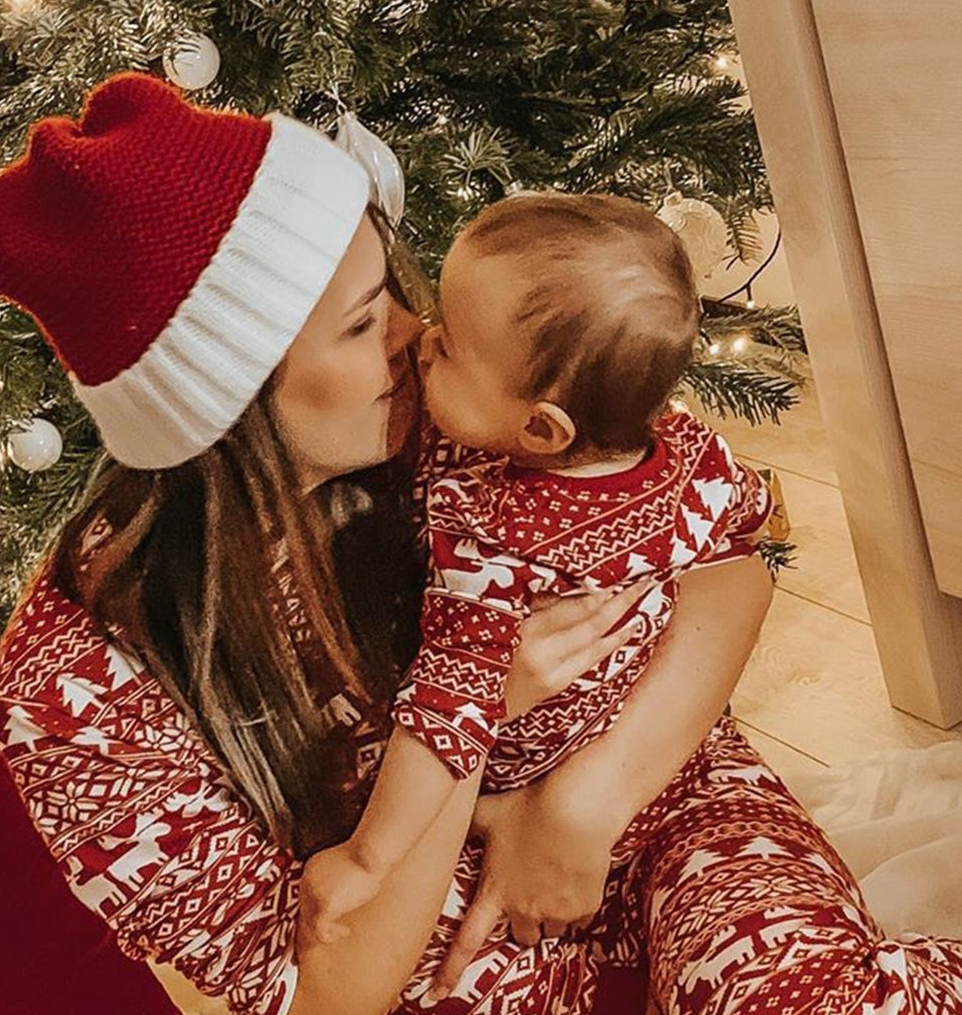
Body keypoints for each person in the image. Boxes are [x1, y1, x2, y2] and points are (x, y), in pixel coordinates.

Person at [0, 71, 961, 1015]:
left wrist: (586, 804)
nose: (412, 332)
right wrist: (477, 732)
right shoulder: (77, 689)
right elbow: (326, 999)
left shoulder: (473, 403)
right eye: (363, 321)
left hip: (670, 825)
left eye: (392, 286)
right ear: (233, 400)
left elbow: (737, 552)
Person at [300, 193, 773, 971]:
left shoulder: (494, 538)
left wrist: (366, 859)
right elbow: (749, 517)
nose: (421, 341)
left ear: (542, 429)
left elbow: (448, 712)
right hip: (649, 761)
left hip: (535, 783)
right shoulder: (694, 456)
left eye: (451, 348)